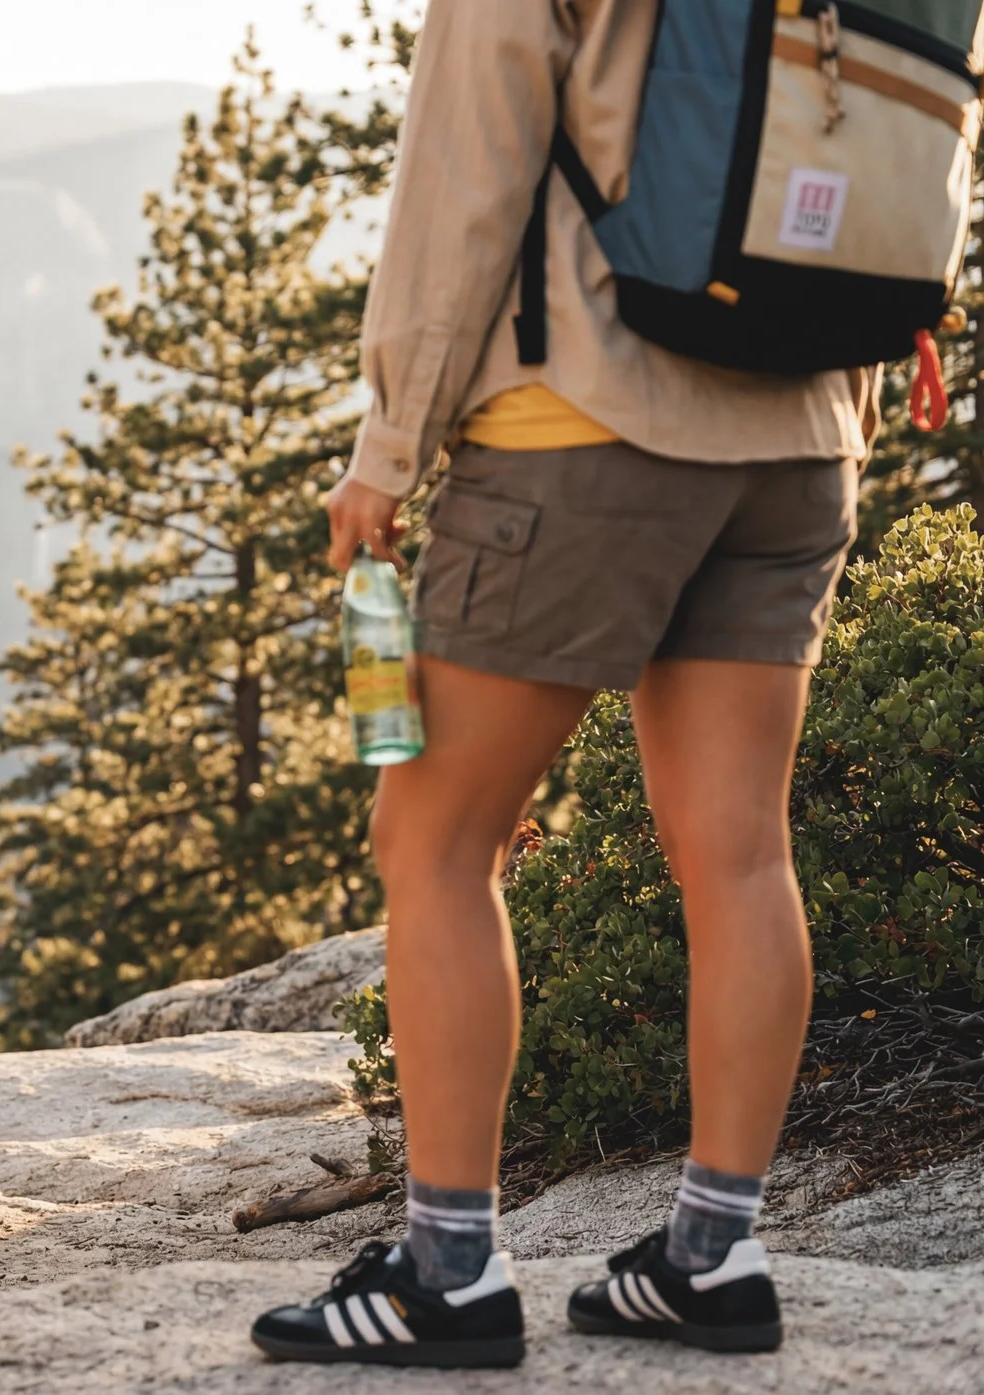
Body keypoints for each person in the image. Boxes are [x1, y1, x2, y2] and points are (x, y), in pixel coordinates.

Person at [250, 0, 875, 1369]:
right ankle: (714, 1252)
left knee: (435, 836)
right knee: (741, 851)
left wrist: (387, 443)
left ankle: (449, 1269)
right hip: (800, 432)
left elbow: (464, 174)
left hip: (584, 421)